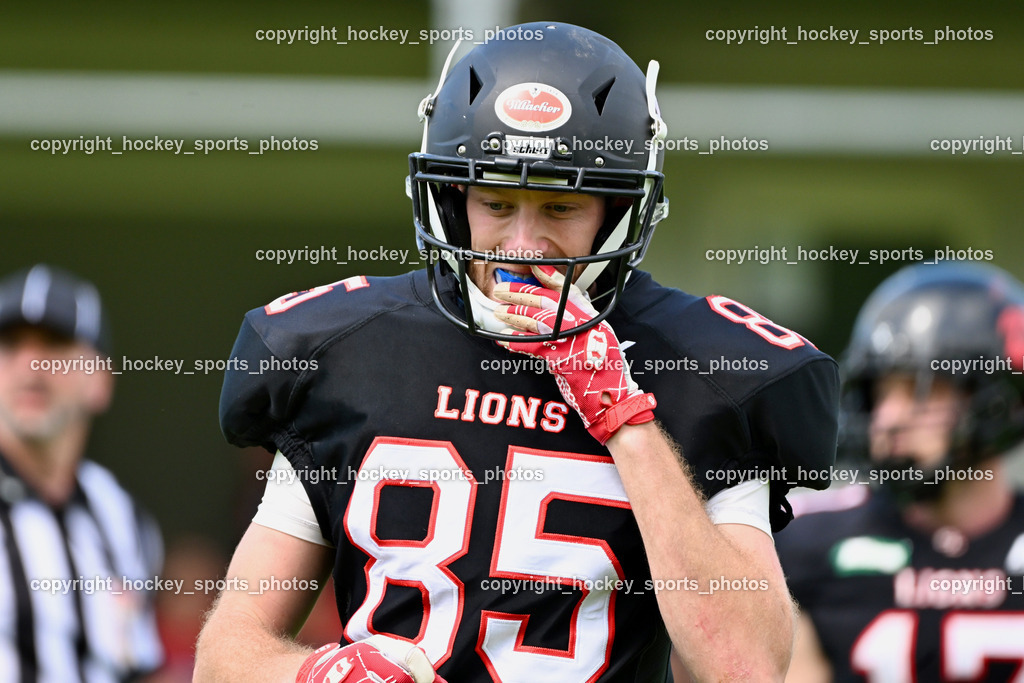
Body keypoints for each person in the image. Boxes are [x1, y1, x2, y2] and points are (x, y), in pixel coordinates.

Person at [195, 22, 839, 683]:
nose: (522, 245)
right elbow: (226, 657)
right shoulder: (346, 352)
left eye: (560, 207)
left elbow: (745, 667)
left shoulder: (707, 370)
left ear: (619, 209)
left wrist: (629, 421)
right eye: (496, 202)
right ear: (451, 198)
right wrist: (322, 675)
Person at [777, 261, 1024, 682]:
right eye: (880, 392)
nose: (887, 419)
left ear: (996, 399)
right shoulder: (798, 542)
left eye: (920, 389)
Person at [0, 264, 163, 682]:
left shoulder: (122, 518)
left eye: (54, 344)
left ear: (100, 381)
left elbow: (137, 665)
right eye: (10, 343)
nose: (30, 363)